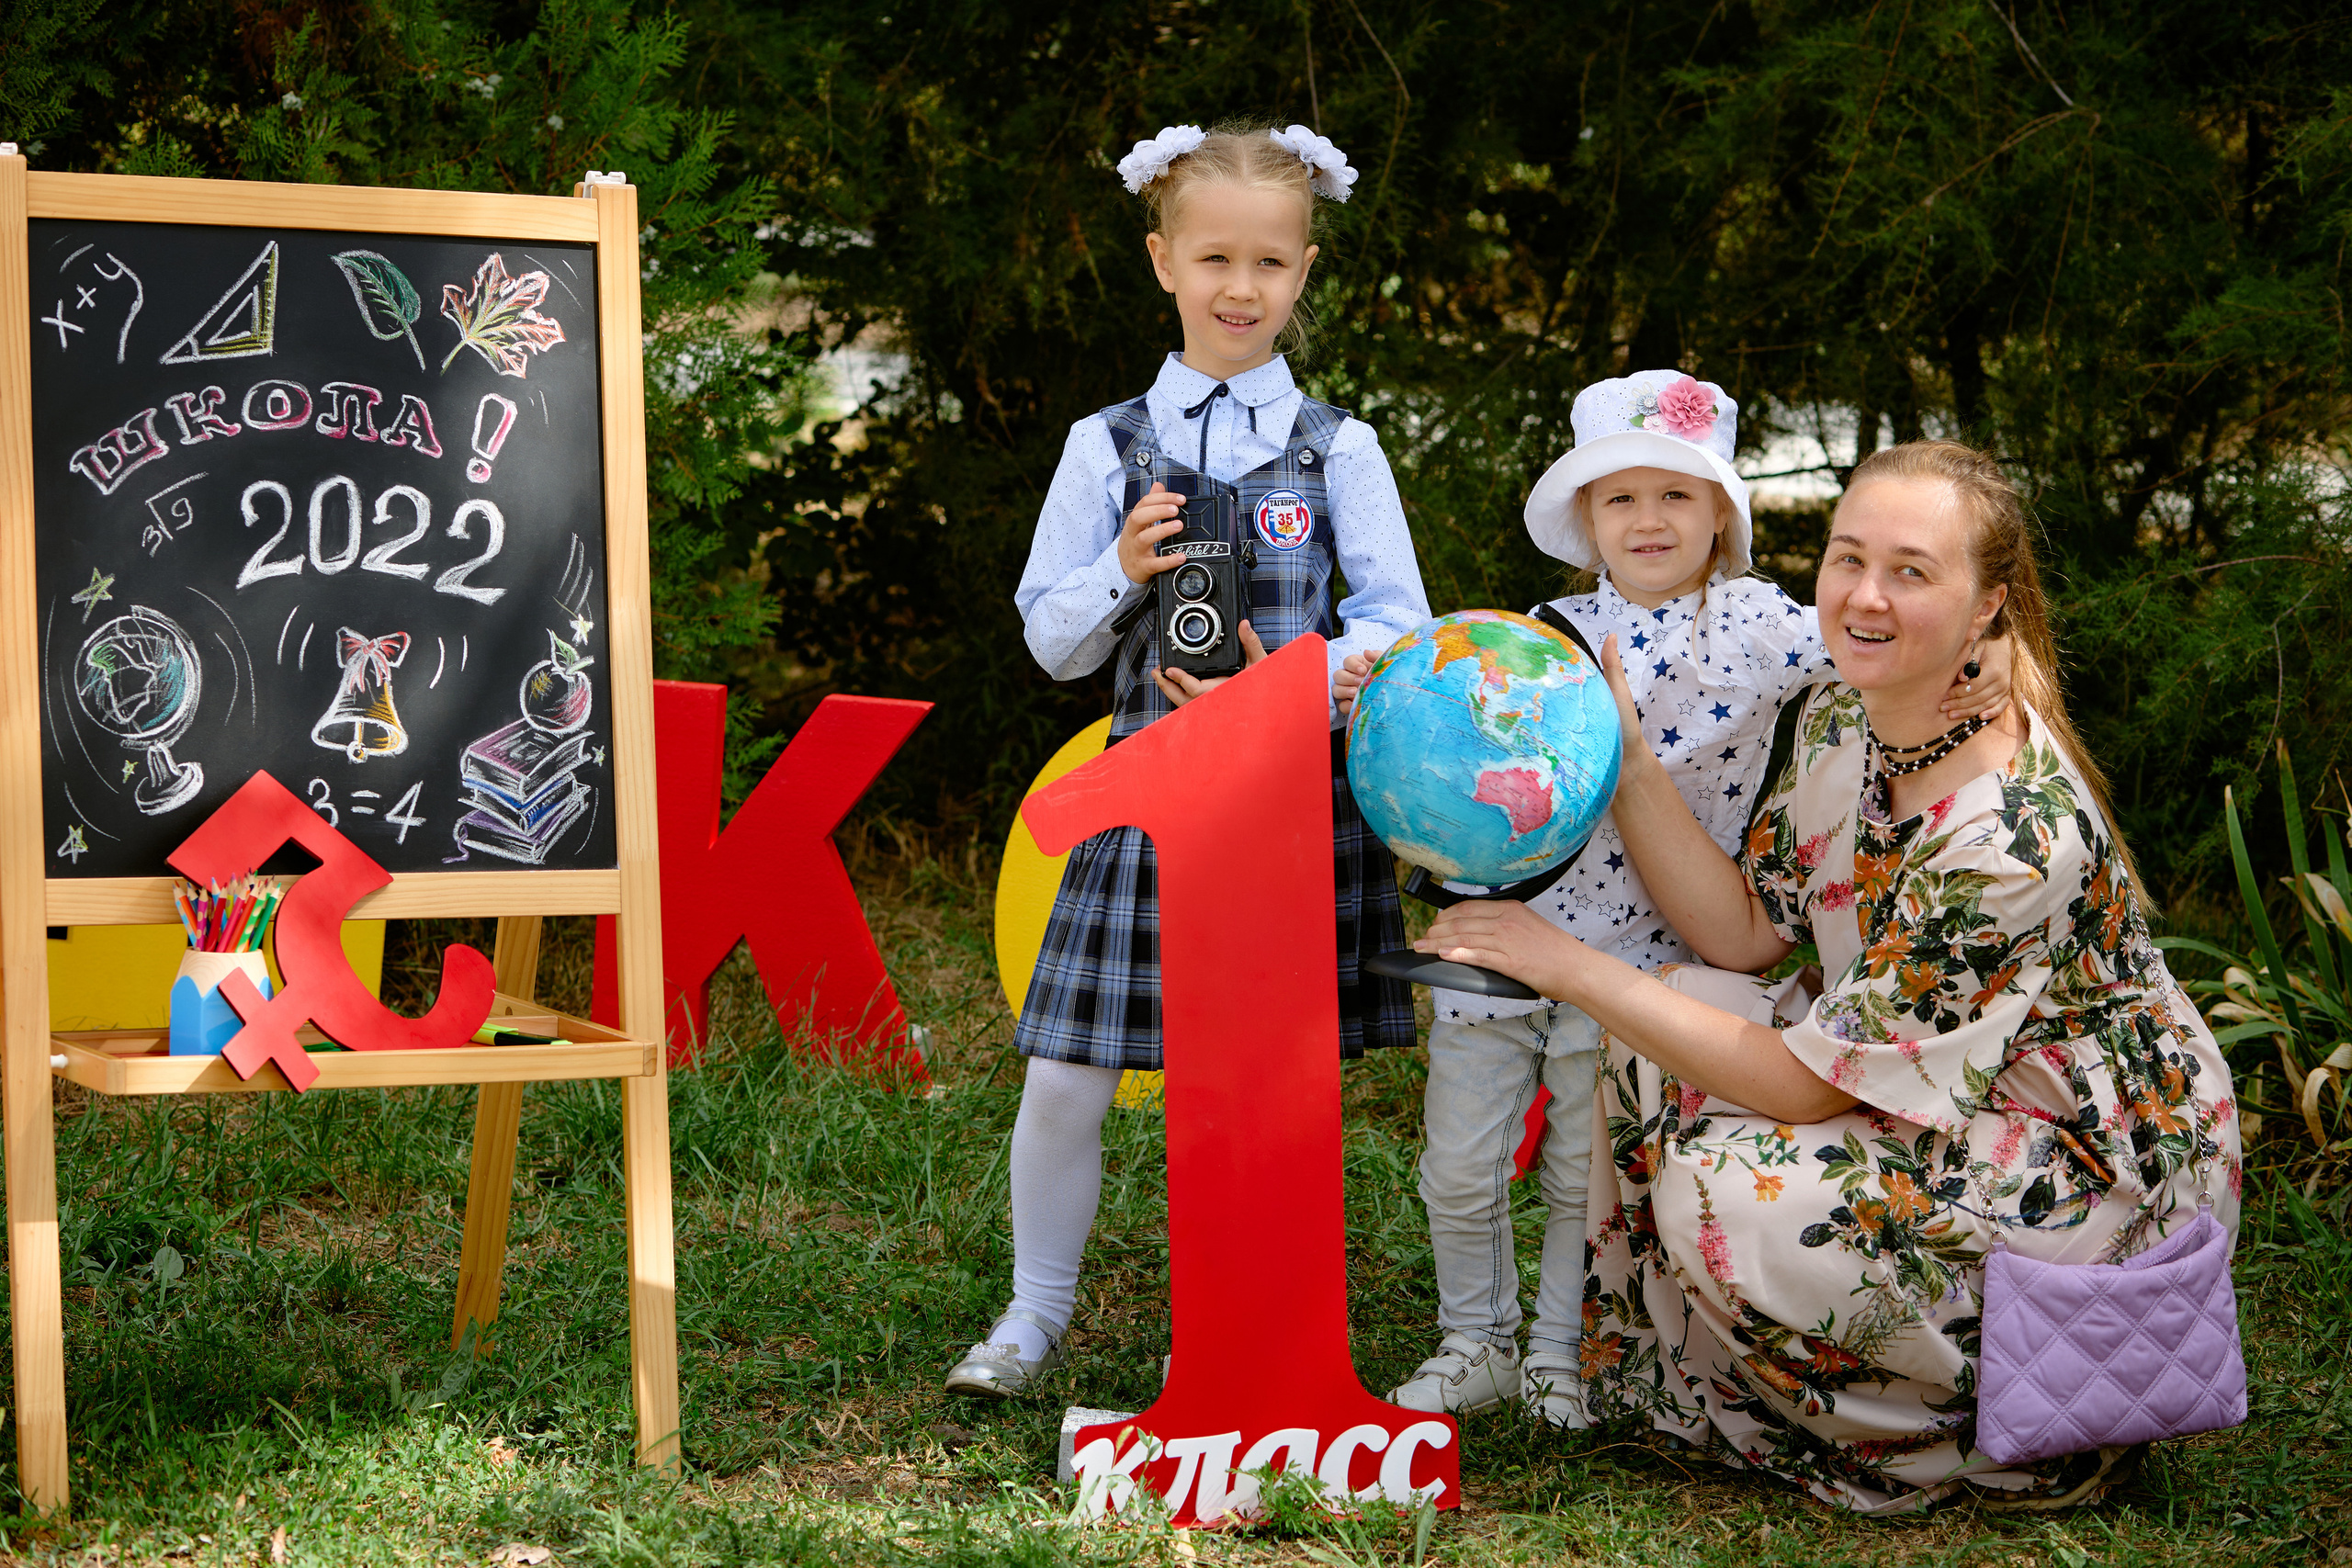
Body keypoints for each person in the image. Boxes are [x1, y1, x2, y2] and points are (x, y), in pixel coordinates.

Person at [1415, 439, 2241, 1511]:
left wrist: (1564, 965)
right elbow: (1746, 933)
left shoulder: (2011, 836)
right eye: (1848, 558)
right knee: (1661, 1016)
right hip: (1932, 1094)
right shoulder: (1847, 720)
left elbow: (1806, 1089)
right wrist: (1626, 755)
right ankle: (1707, 1386)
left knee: (1734, 1194)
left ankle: (2004, 1434)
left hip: (2079, 1156)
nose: (1864, 595)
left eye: (1911, 571)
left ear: (1987, 606)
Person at [1332, 375, 2008, 1427]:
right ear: (1586, 518)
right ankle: (1474, 1343)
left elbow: (1879, 639)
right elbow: (1446, 710)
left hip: (1638, 959)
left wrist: (1985, 652)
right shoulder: (1540, 633)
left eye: (1676, 495)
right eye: (1619, 498)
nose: (1647, 520)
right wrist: (1365, 685)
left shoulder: (1760, 628)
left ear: (1720, 516)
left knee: (1579, 1174)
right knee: (1458, 1164)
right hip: (1497, 935)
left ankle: (1558, 1353)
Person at [947, 122, 1431, 1397]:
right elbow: (1049, 641)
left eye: (1269, 262)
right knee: (1068, 1068)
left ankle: (1236, 1315)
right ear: (1162, 260)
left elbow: (1400, 625)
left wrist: (1293, 679)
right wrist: (1121, 569)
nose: (1240, 287)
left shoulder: (1340, 447)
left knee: (1267, 1085)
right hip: (1145, 797)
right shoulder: (1104, 445)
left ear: (1304, 269)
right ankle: (1034, 1311)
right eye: (1214, 257)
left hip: (1287, 802)